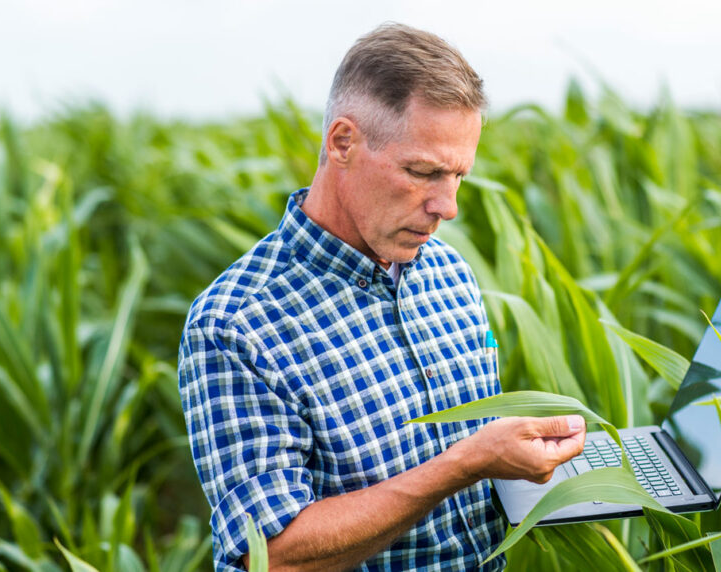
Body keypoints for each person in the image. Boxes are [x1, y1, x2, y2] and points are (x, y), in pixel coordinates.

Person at [178, 23, 586, 571]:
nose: (448, 206)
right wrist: (465, 463)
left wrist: (543, 460)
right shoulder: (236, 324)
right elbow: (270, 557)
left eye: (459, 175)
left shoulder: (448, 271)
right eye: (423, 172)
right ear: (342, 142)